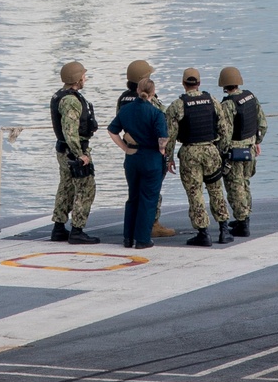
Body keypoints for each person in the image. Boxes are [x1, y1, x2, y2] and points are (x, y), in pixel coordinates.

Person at [164, 69, 234, 247]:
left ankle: (203, 232)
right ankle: (224, 229)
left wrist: (168, 158)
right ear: (199, 83)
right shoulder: (213, 101)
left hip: (189, 153)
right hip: (211, 151)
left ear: (183, 83)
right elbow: (224, 130)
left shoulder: (177, 105)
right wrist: (222, 151)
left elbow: (170, 136)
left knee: (195, 193)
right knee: (216, 189)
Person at [108, 77, 169, 248]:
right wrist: (162, 150)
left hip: (132, 156)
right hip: (151, 157)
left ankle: (128, 238)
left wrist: (124, 148)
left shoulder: (126, 110)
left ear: (137, 91)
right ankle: (142, 239)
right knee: (149, 199)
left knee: (133, 197)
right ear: (153, 92)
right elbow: (162, 138)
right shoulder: (156, 113)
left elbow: (112, 131)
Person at [50, 61, 100, 245]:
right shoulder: (71, 101)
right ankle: (77, 230)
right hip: (73, 152)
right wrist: (80, 155)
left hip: (63, 150)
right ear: (77, 79)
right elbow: (70, 131)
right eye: (83, 75)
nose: (85, 78)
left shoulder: (60, 96)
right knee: (86, 188)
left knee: (66, 187)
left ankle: (58, 227)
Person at [217, 67, 267, 238]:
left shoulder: (227, 105)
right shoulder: (250, 97)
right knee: (245, 185)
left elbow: (225, 134)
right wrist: (257, 142)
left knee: (235, 187)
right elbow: (263, 124)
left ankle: (242, 223)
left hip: (235, 152)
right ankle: (244, 218)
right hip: (250, 148)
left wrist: (221, 153)